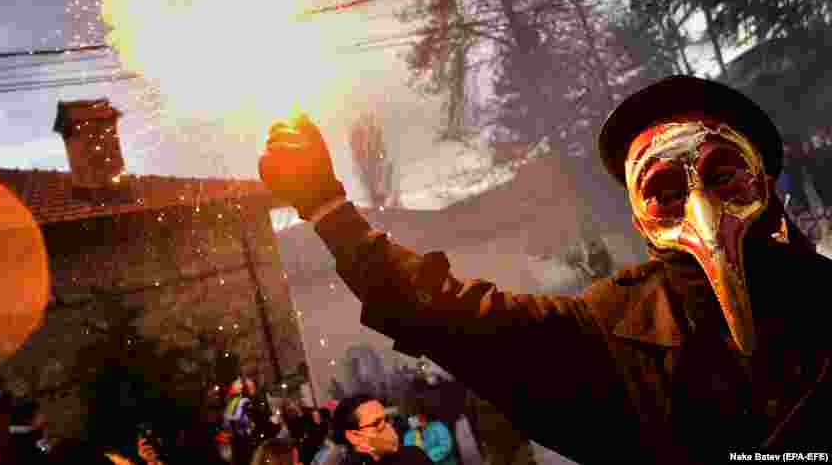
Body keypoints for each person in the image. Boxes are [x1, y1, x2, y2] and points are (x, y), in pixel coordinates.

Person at [258, 76, 832, 463]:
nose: (702, 209)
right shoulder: (612, 334)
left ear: (762, 180)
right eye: (663, 189)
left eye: (722, 172)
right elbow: (442, 312)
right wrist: (331, 212)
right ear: (639, 217)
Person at [328, 395, 431, 465]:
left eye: (387, 420)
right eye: (377, 423)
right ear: (354, 436)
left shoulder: (413, 455)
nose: (389, 428)